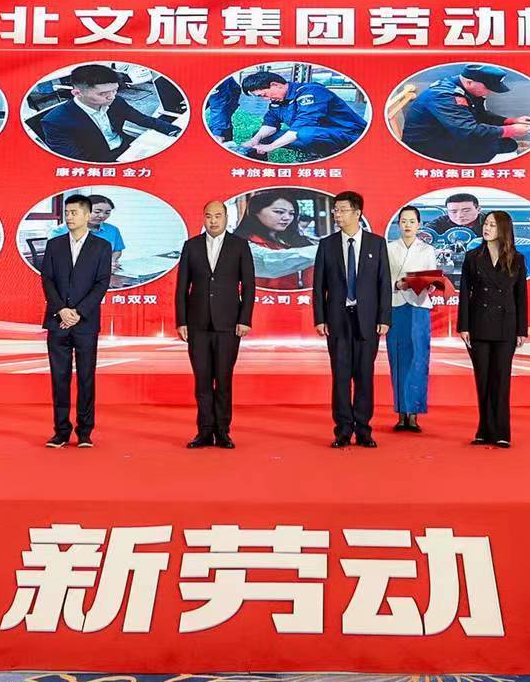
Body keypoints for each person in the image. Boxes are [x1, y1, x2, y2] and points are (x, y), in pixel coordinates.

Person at [311, 190, 390, 448]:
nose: (337, 214)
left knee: (365, 376)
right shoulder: (327, 245)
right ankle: (343, 430)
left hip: (367, 320)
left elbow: (384, 284)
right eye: (335, 210)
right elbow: (318, 285)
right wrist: (320, 318)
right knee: (341, 376)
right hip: (338, 319)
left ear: (357, 213)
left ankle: (364, 430)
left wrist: (384, 317)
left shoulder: (376, 244)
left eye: (342, 210)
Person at [175, 199, 255, 448]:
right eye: (209, 216)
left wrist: (244, 319)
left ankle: (222, 431)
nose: (213, 221)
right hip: (197, 324)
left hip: (228, 324)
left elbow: (249, 286)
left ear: (226, 218)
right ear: (204, 218)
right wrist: (181, 321)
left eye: (218, 216)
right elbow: (182, 286)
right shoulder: (191, 246)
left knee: (223, 380)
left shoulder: (239, 245)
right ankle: (204, 431)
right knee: (202, 381)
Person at [39, 192, 113, 447]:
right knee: (59, 378)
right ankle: (61, 431)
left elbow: (102, 283)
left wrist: (78, 312)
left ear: (87, 215)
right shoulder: (54, 245)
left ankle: (84, 432)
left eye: (74, 213)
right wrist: (61, 309)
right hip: (57, 320)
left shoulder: (101, 246)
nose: (69, 217)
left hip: (86, 322)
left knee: (85, 377)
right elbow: (47, 279)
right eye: (67, 213)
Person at [458, 210, 530, 447]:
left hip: (506, 326)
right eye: (486, 224)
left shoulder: (517, 259)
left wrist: (521, 330)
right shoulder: (473, 256)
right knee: (482, 379)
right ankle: (484, 430)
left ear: (504, 229)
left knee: (501, 379)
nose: (487, 228)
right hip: (478, 325)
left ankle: (501, 432)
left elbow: (521, 295)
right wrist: (464, 326)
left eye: (492, 225)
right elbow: (465, 294)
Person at [30, 62, 181, 163]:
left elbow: (143, 119)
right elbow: (75, 160)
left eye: (115, 90)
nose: (111, 97)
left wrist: (174, 131)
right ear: (77, 93)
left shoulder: (116, 101)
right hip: (98, 160)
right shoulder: (55, 121)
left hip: (126, 146)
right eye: (103, 94)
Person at [398, 65, 530, 164]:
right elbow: (469, 131)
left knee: (506, 144)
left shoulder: (464, 87)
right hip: (426, 146)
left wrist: (510, 121)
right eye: (487, 88)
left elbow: (481, 114)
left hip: (447, 134)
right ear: (470, 82)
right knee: (498, 146)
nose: (489, 92)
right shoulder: (445, 96)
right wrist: (510, 130)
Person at [386, 205, 444, 432]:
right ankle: (401, 413)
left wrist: (427, 284)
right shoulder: (389, 248)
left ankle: (414, 414)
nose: (408, 225)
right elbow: (383, 279)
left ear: (419, 224)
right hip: (395, 305)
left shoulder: (427, 250)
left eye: (412, 221)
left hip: (419, 306)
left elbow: (432, 279)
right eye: (403, 221)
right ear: (398, 224)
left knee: (418, 359)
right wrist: (397, 284)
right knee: (398, 359)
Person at [232, 70, 366, 161]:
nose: (265, 99)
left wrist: (271, 146)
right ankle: (261, 168)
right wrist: (255, 140)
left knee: (306, 133)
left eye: (264, 95)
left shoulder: (311, 92)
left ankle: (325, 158)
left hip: (348, 136)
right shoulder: (277, 101)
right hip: (315, 135)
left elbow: (304, 124)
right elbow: (270, 124)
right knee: (261, 134)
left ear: (275, 85)